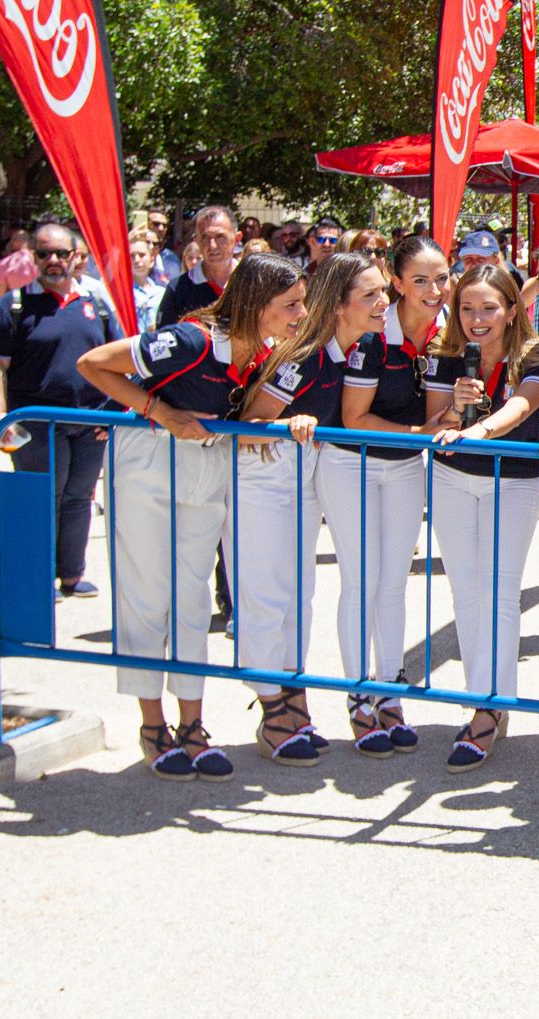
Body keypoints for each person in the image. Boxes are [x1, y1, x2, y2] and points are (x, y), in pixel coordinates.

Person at [74, 251, 309, 782]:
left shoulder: (267, 350)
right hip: (149, 459)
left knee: (192, 598)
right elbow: (93, 364)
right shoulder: (189, 339)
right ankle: (152, 726)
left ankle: (193, 726)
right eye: (290, 304)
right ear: (255, 303)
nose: (300, 313)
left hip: (207, 467)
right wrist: (160, 412)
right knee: (146, 596)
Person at [233, 252, 389, 763]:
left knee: (298, 595)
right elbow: (252, 423)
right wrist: (285, 424)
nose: (382, 302)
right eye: (370, 295)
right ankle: (272, 707)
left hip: (303, 477)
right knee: (266, 594)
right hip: (265, 479)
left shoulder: (355, 352)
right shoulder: (305, 355)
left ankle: (292, 702)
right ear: (339, 305)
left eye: (383, 291)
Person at [421, 264, 539, 771]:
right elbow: (435, 422)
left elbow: (525, 405)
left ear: (511, 309)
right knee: (465, 591)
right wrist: (455, 413)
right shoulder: (446, 354)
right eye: (467, 308)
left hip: (513, 479)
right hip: (453, 478)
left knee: (500, 593)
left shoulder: (536, 353)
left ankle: (487, 708)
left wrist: (481, 429)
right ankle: (486, 700)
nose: (477, 318)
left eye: (489, 308)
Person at [325, 234, 452, 753]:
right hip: (349, 464)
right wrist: (422, 435)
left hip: (402, 468)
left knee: (394, 582)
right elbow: (355, 419)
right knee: (361, 580)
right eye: (419, 280)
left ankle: (391, 693)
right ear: (397, 283)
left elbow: (437, 415)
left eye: (441, 277)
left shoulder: (448, 335)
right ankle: (359, 697)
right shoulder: (374, 333)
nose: (434, 289)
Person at [0, 222, 122, 598]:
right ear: (33, 257)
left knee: (79, 497)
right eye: (44, 253)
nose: (53, 261)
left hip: (92, 422)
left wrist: (118, 413)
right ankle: (38, 578)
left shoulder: (98, 306)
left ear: (77, 257)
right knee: (45, 498)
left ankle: (71, 576)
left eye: (62, 253)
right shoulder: (13, 306)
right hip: (37, 423)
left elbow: (122, 359)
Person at [155, 205, 239, 329]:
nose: (212, 246)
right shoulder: (179, 289)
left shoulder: (254, 284)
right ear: (196, 241)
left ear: (237, 239)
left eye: (220, 237)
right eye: (205, 237)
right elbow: (164, 338)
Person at [127, 234, 167, 332]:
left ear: (152, 260)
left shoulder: (162, 293)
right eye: (132, 256)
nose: (137, 260)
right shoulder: (122, 293)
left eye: (141, 255)